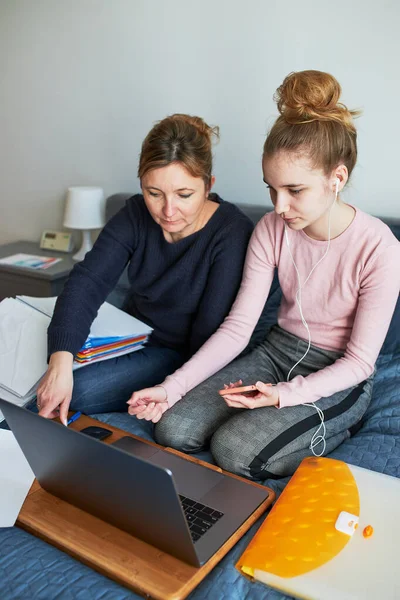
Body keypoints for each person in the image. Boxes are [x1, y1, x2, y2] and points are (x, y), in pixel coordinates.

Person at [128, 71, 400, 479]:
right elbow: (238, 328)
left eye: (294, 190)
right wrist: (172, 387)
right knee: (174, 428)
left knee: (235, 451)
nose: (279, 206)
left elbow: (360, 362)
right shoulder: (272, 229)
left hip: (340, 372)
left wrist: (283, 397)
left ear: (336, 178)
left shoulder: (379, 247)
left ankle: (339, 424)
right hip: (276, 352)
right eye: (271, 189)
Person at [37, 113, 254, 426]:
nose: (167, 211)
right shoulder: (135, 214)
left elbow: (209, 338)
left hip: (180, 355)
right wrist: (60, 361)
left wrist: (172, 388)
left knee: (80, 389)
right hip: (129, 335)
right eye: (154, 193)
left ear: (208, 186)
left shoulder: (232, 234)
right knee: (49, 364)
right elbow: (87, 282)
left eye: (184, 195)